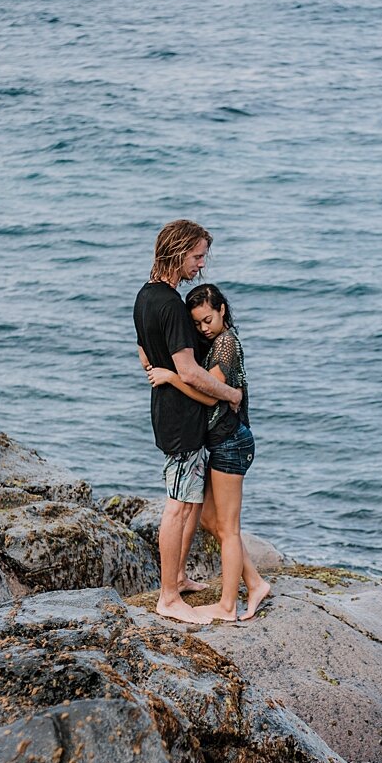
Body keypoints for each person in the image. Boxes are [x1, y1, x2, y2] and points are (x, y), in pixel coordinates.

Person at [134, 221, 242, 624]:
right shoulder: (172, 306)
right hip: (181, 418)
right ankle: (167, 598)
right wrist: (230, 393)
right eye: (197, 256)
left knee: (191, 501)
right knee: (178, 508)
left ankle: (177, 578)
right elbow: (191, 371)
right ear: (178, 252)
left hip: (166, 409)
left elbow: (142, 352)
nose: (201, 266)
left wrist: (157, 369)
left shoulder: (146, 297)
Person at [147, 283, 271, 622]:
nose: (203, 328)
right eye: (197, 323)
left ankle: (228, 605)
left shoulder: (227, 344)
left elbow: (211, 396)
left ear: (222, 311)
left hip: (232, 441)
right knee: (210, 520)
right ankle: (256, 583)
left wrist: (171, 378)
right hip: (220, 442)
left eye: (207, 320)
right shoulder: (213, 342)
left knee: (228, 527)